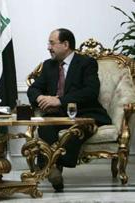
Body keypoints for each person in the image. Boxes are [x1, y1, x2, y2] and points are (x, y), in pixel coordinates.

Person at [27, 28, 111, 192]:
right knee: (45, 128)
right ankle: (53, 170)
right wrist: (39, 98)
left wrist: (59, 100)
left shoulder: (86, 63)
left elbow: (90, 91)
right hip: (57, 116)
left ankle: (51, 165)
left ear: (65, 44)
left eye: (52, 43)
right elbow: (33, 89)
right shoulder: (48, 65)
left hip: (83, 114)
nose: (48, 47)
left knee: (75, 131)